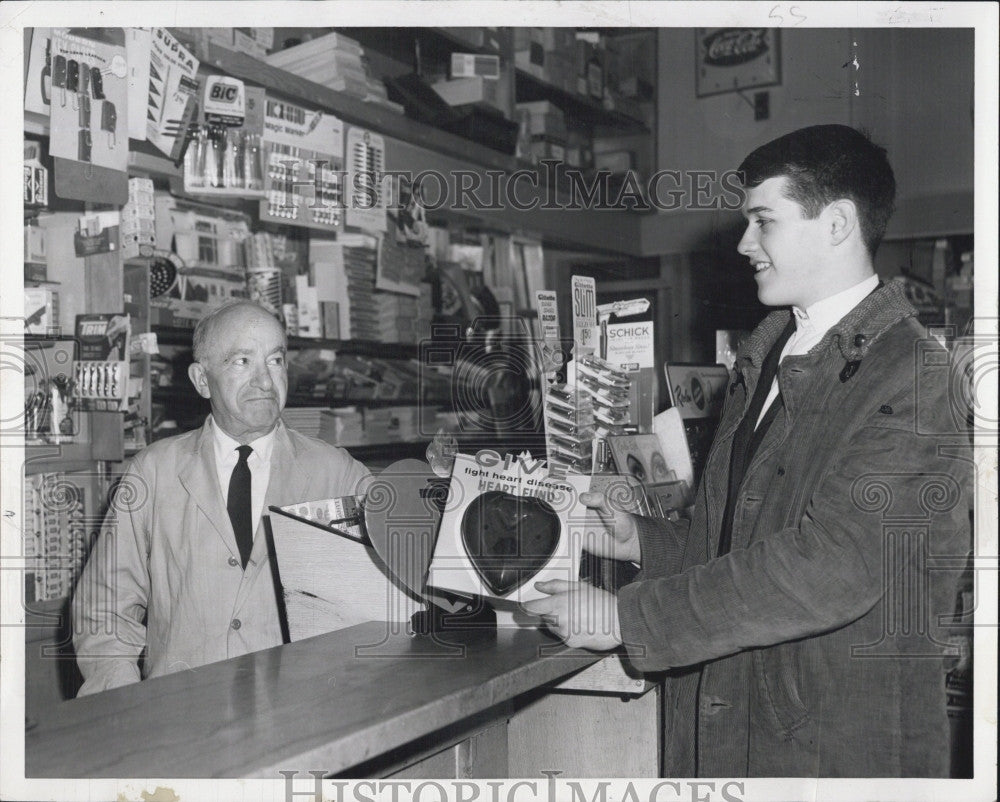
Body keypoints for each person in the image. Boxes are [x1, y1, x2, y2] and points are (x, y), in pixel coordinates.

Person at [525, 125, 971, 777]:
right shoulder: (767, 356)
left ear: (838, 224)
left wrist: (626, 615)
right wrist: (643, 542)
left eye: (764, 220)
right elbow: (751, 540)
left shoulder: (913, 379)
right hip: (738, 729)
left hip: (835, 753)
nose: (743, 243)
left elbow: (834, 566)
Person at [72, 300, 371, 695]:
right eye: (242, 361)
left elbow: (401, 579)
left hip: (300, 716)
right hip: (180, 719)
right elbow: (103, 611)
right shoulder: (153, 472)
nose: (266, 380)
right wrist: (129, 709)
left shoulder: (336, 472)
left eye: (276, 360)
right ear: (201, 379)